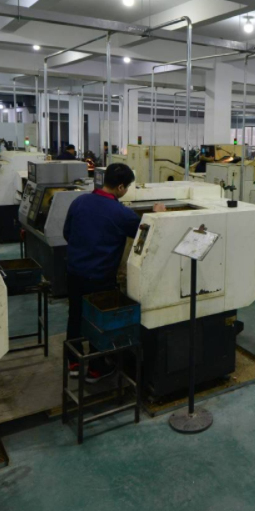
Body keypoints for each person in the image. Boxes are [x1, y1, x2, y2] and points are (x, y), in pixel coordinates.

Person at [63, 163, 166, 382]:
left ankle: (73, 363)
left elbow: (67, 233)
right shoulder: (122, 214)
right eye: (127, 187)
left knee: (76, 314)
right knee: (99, 321)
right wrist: (158, 217)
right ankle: (96, 369)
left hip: (74, 272)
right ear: (120, 187)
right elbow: (146, 236)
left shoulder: (79, 202)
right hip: (100, 277)